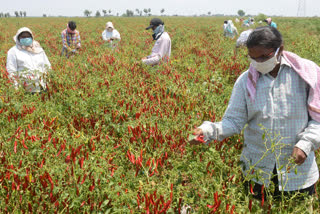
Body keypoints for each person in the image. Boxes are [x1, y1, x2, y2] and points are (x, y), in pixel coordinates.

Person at [191, 27, 320, 202]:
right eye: (253, 57)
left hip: (298, 172)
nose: (258, 62)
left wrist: (306, 143)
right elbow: (234, 121)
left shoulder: (306, 74)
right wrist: (207, 131)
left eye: (264, 57)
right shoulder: (245, 81)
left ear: (279, 50)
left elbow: (318, 118)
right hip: (258, 170)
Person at [6, 27, 51, 93]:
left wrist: (48, 81)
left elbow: (47, 65)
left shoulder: (38, 49)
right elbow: (11, 70)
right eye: (23, 37)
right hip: (25, 88)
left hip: (42, 86)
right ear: (18, 38)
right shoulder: (13, 51)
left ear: (32, 37)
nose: (26, 38)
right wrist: (16, 88)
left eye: (28, 36)